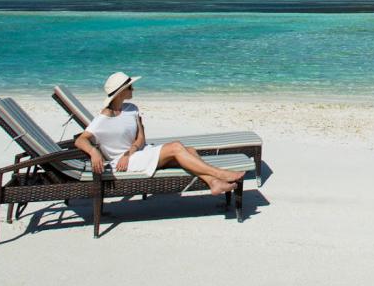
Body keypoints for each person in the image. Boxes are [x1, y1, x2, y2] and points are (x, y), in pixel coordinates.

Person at [73, 71, 245, 195]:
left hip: (138, 153)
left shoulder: (132, 109)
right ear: (120, 93)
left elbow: (141, 138)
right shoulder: (103, 119)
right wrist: (94, 151)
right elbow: (80, 140)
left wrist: (130, 151)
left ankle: (213, 183)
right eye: (130, 87)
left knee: (190, 151)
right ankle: (219, 174)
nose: (133, 90)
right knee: (176, 147)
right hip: (122, 163)